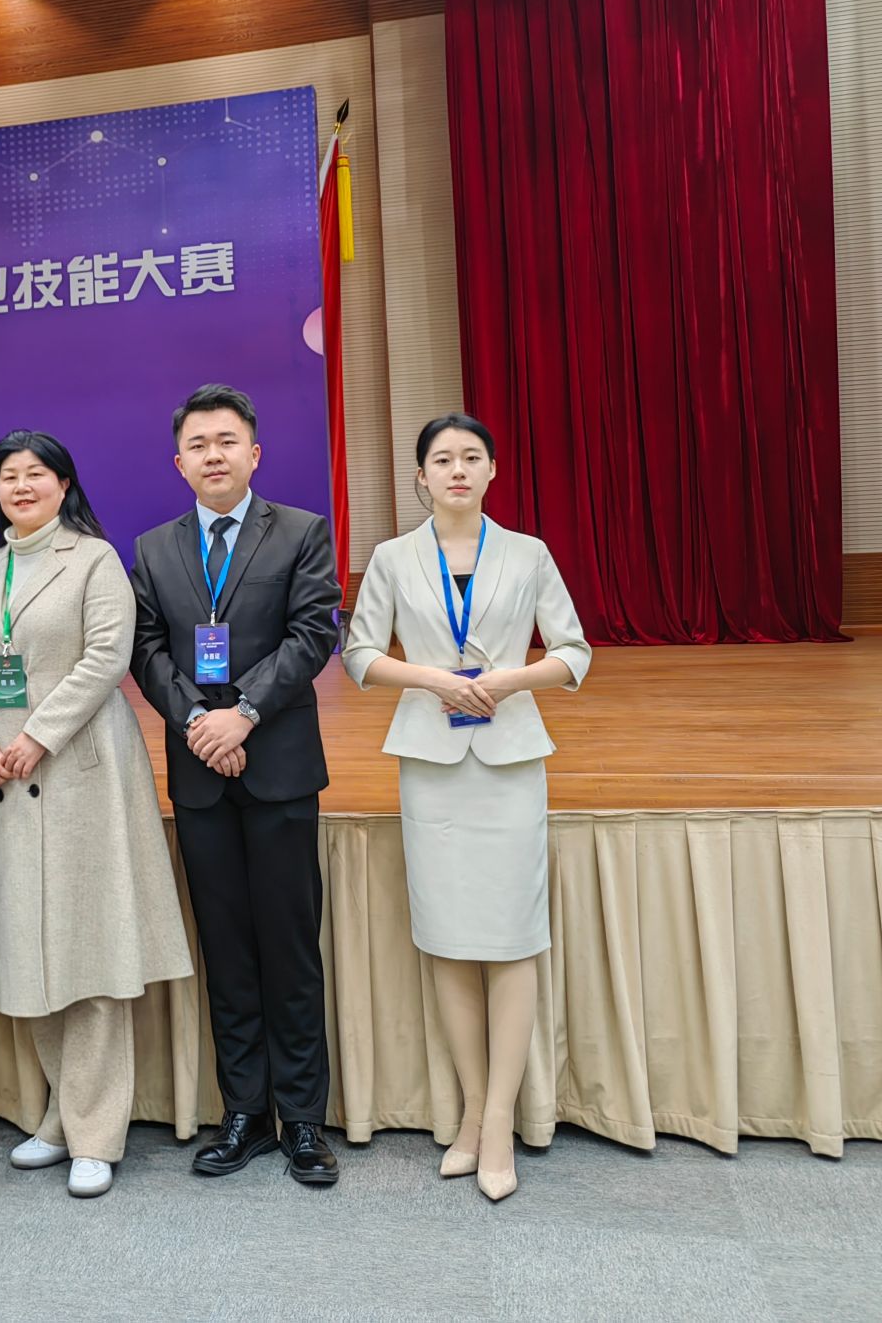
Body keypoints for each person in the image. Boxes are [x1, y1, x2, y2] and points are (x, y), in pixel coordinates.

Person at [339, 412, 591, 1202]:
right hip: (432, 761)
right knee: (448, 940)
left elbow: (574, 652)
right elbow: (358, 654)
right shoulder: (391, 557)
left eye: (471, 456)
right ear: (420, 476)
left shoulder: (528, 553)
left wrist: (509, 679)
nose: (456, 469)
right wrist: (433, 679)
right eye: (442, 458)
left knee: (512, 940)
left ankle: (500, 1120)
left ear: (491, 471)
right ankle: (476, 1112)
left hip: (511, 761)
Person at [0, 430, 193, 1199]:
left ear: (64, 484)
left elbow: (106, 658)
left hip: (81, 772)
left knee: (90, 951)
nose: (22, 486)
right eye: (8, 476)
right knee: (28, 949)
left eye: (36, 474)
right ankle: (60, 1117)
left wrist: (37, 735)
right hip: (4, 782)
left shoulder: (93, 559)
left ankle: (95, 1134)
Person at [129, 382, 342, 1186]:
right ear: (177, 461)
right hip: (200, 775)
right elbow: (147, 648)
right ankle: (245, 1112)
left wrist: (243, 714)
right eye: (198, 444)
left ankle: (304, 1118)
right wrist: (197, 722)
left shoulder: (301, 531)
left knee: (290, 948)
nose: (213, 455)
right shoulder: (154, 548)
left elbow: (311, 633)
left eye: (227, 441)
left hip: (277, 765)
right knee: (226, 950)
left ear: (254, 452)